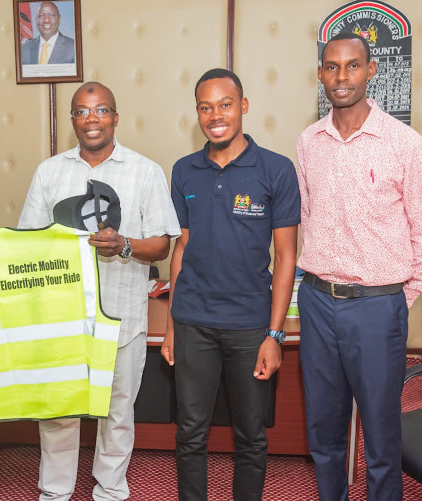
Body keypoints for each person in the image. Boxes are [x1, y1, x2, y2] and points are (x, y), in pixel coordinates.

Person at [18, 81, 181, 501]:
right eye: (82, 112)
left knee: (118, 411)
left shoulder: (145, 171)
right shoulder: (49, 172)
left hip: (122, 314)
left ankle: (110, 490)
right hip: (62, 316)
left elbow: (164, 243)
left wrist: (124, 244)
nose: (92, 119)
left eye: (101, 110)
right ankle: (55, 493)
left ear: (115, 117)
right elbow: (27, 242)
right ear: (72, 119)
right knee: (59, 412)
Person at [296, 32, 422, 500]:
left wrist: (399, 298)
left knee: (380, 436)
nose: (342, 77)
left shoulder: (405, 144)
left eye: (352, 66)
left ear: (371, 71)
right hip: (317, 301)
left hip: (377, 308)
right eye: (332, 67)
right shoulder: (307, 143)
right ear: (320, 74)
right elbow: (304, 217)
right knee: (324, 431)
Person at [162, 68, 300, 501]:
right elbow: (180, 249)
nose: (215, 115)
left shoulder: (276, 170)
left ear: (243, 106)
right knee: (189, 433)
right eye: (206, 107)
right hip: (193, 322)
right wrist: (170, 325)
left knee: (251, 436)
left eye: (225, 104)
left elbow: (287, 257)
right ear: (197, 113)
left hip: (249, 326)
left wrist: (274, 335)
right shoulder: (184, 171)